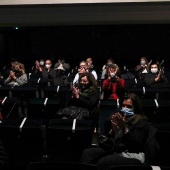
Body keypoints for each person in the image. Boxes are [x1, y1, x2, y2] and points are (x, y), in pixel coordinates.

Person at [80, 93, 151, 170]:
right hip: (115, 148)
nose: (125, 108)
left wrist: (124, 128)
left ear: (136, 108)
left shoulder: (141, 121)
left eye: (129, 106)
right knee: (87, 153)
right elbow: (109, 139)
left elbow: (136, 144)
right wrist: (113, 130)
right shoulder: (119, 116)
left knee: (103, 162)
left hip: (130, 152)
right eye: (123, 106)